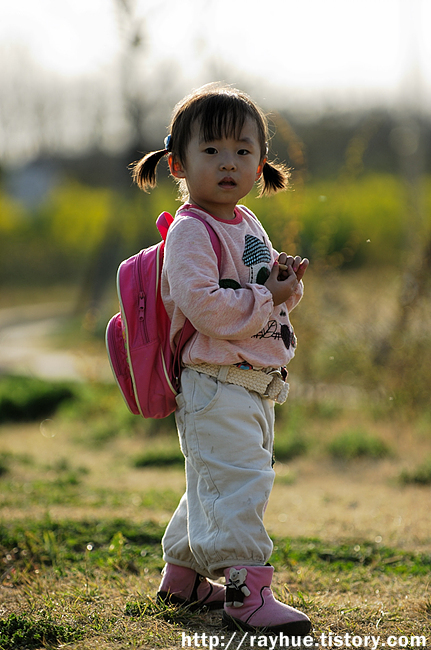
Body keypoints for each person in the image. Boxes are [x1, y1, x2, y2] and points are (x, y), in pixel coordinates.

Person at [131, 82, 310, 635]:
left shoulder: (247, 224)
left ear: (260, 166)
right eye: (211, 151)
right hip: (213, 381)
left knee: (215, 478)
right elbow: (207, 308)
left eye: (242, 151)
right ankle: (246, 595)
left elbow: (259, 288)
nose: (227, 163)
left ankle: (182, 581)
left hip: (249, 382)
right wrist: (269, 297)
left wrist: (282, 281)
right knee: (241, 482)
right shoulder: (190, 231)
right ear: (179, 163)